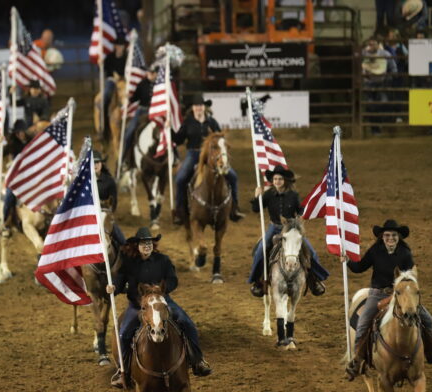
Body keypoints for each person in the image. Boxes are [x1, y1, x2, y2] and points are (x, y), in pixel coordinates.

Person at [343, 220, 432, 381]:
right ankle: (358, 359)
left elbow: (410, 277)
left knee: (428, 319)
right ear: (382, 237)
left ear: (398, 237)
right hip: (378, 294)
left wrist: (405, 292)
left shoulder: (405, 253)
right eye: (387, 235)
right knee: (363, 323)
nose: (390, 238)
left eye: (393, 235)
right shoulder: (375, 251)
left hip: (401, 295)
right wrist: (347, 260)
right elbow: (360, 267)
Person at [106, 227, 212, 388]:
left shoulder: (163, 260)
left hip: (163, 302)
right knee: (123, 333)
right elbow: (120, 283)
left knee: (187, 323)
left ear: (153, 245)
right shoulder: (129, 263)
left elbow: (173, 280)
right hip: (138, 306)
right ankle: (123, 371)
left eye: (149, 243)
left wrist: (161, 290)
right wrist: (113, 287)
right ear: (137, 246)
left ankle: (198, 361)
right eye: (143, 243)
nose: (147, 246)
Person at [247, 165, 328, 298]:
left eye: (280, 179)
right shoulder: (268, 194)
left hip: (291, 228)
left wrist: (301, 217)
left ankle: (315, 280)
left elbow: (300, 210)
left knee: (310, 252)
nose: (277, 181)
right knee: (260, 250)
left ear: (285, 181)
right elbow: (256, 209)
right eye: (275, 179)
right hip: (274, 227)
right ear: (272, 181)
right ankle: (258, 282)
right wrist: (257, 197)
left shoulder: (293, 195)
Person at [173, 93, 245, 225]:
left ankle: (234, 208)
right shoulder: (188, 122)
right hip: (193, 154)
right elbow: (178, 140)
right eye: (196, 106)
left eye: (200, 105)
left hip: (212, 156)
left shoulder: (212, 121)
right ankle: (180, 210)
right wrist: (170, 131)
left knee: (233, 176)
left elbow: (219, 138)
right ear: (193, 107)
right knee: (180, 179)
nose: (198, 108)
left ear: (204, 107)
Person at [1, 120, 33, 236]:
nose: (20, 134)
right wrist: (0, 145)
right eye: (18, 132)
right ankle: (4, 222)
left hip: (30, 173)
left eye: (22, 132)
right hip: (16, 175)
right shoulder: (12, 144)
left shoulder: (31, 141)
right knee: (9, 196)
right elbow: (0, 154)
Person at [122, 64, 157, 160]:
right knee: (130, 131)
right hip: (142, 110)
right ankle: (124, 158)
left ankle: (174, 156)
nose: (150, 74)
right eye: (149, 72)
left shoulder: (159, 85)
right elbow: (135, 99)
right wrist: (129, 98)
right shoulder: (142, 84)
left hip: (155, 111)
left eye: (153, 72)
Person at [93, 150, 126, 245]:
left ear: (101, 164)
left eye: (97, 162)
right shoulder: (84, 182)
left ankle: (125, 250)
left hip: (104, 214)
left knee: (121, 240)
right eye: (93, 163)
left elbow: (114, 203)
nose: (95, 165)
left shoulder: (109, 181)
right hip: (89, 215)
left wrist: (108, 213)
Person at [101, 37, 127, 135]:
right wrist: (112, 74)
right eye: (119, 45)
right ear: (115, 46)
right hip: (112, 80)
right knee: (106, 94)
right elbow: (106, 70)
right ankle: (104, 122)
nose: (120, 47)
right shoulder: (109, 57)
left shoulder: (126, 58)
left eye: (122, 46)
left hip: (123, 81)